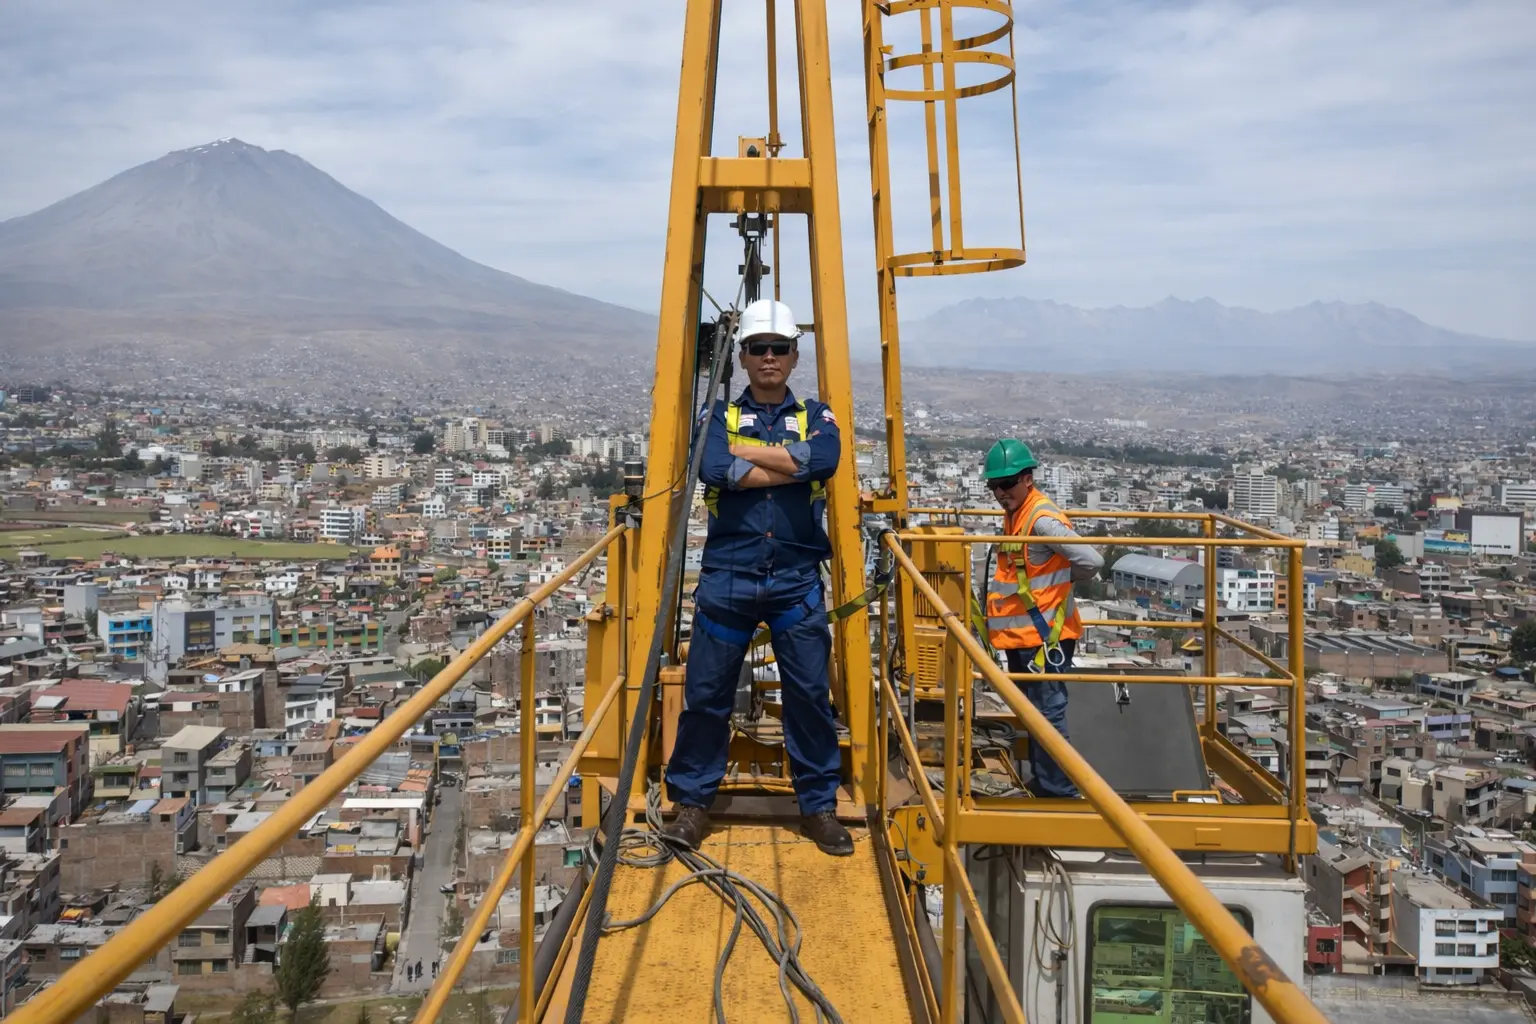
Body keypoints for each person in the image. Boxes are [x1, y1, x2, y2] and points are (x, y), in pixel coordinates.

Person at [662, 298, 853, 856]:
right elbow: (717, 468)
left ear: (795, 355)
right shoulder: (716, 418)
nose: (769, 357)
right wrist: (786, 464)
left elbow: (824, 462)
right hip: (730, 578)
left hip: (794, 577)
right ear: (741, 357)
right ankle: (693, 805)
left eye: (779, 348)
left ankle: (818, 808)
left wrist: (756, 459)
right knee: (706, 697)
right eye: (757, 348)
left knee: (810, 698)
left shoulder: (818, 416)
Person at [982, 439, 1103, 798]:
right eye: (994, 486)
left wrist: (1064, 582)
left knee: (1048, 715)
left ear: (1027, 479)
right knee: (1034, 715)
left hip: (1045, 639)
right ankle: (1045, 782)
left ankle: (1059, 792)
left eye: (1006, 484)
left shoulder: (1041, 520)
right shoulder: (1016, 515)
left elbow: (1092, 561)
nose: (1000, 492)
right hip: (1023, 638)